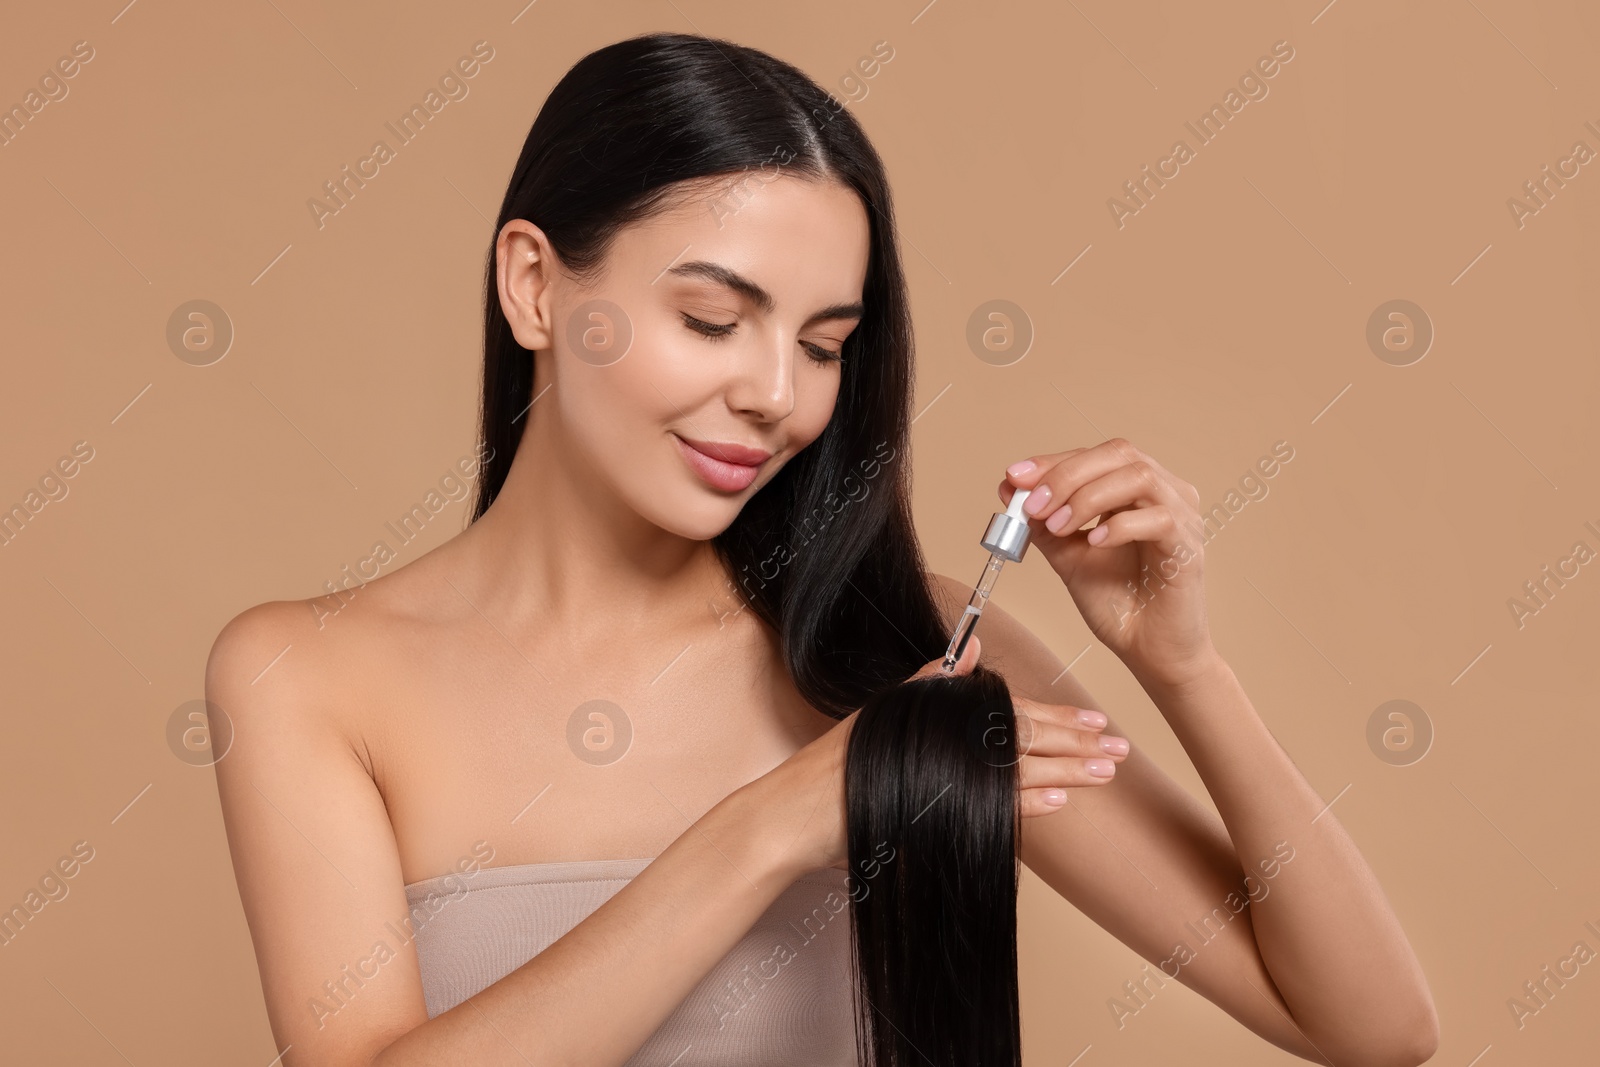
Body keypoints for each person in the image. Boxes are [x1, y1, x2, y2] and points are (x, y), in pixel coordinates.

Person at [206, 31, 1439, 1067]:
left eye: (824, 341)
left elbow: (1372, 1026)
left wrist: (1183, 668)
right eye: (712, 319)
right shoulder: (310, 674)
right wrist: (775, 823)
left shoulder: (913, 642)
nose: (776, 396)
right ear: (535, 287)